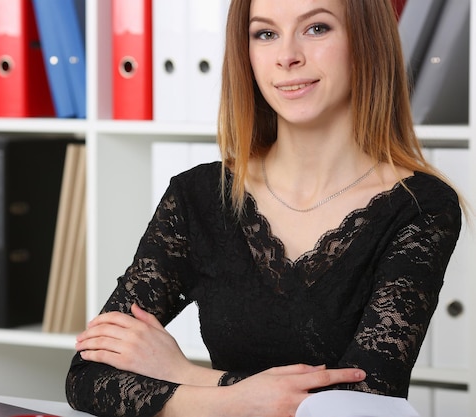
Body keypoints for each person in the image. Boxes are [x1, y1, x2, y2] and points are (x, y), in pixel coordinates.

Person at [66, 0, 463, 416]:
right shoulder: (198, 196)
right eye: (265, 33)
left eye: (316, 28)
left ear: (367, 41)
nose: (287, 56)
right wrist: (231, 399)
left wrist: (187, 374)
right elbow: (87, 374)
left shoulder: (420, 206)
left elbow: (360, 406)